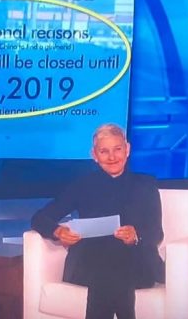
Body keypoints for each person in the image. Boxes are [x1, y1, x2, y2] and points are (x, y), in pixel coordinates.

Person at [31, 123, 164, 319]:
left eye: (117, 149)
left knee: (113, 271)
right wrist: (58, 231)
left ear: (127, 149)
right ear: (94, 155)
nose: (112, 157)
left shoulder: (146, 185)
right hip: (90, 264)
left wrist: (136, 236)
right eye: (104, 151)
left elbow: (156, 233)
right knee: (108, 271)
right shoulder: (82, 185)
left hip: (136, 263)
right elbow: (39, 218)